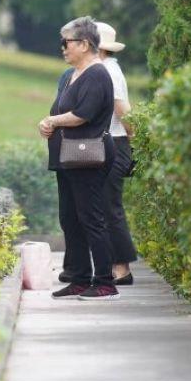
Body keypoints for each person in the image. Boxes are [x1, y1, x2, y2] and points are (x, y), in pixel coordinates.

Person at [38, 16, 119, 301]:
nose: (63, 48)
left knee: (91, 218)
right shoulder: (72, 74)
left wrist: (53, 120)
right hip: (68, 156)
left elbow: (83, 114)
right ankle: (80, 277)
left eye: (66, 43)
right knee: (70, 218)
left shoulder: (97, 74)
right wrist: (49, 124)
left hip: (88, 156)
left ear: (84, 44)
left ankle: (106, 282)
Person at [96, 22, 138, 284]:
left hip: (116, 142)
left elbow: (121, 109)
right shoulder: (106, 69)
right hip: (112, 142)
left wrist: (133, 139)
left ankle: (122, 268)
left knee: (111, 206)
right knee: (105, 205)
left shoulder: (108, 71)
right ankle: (114, 265)